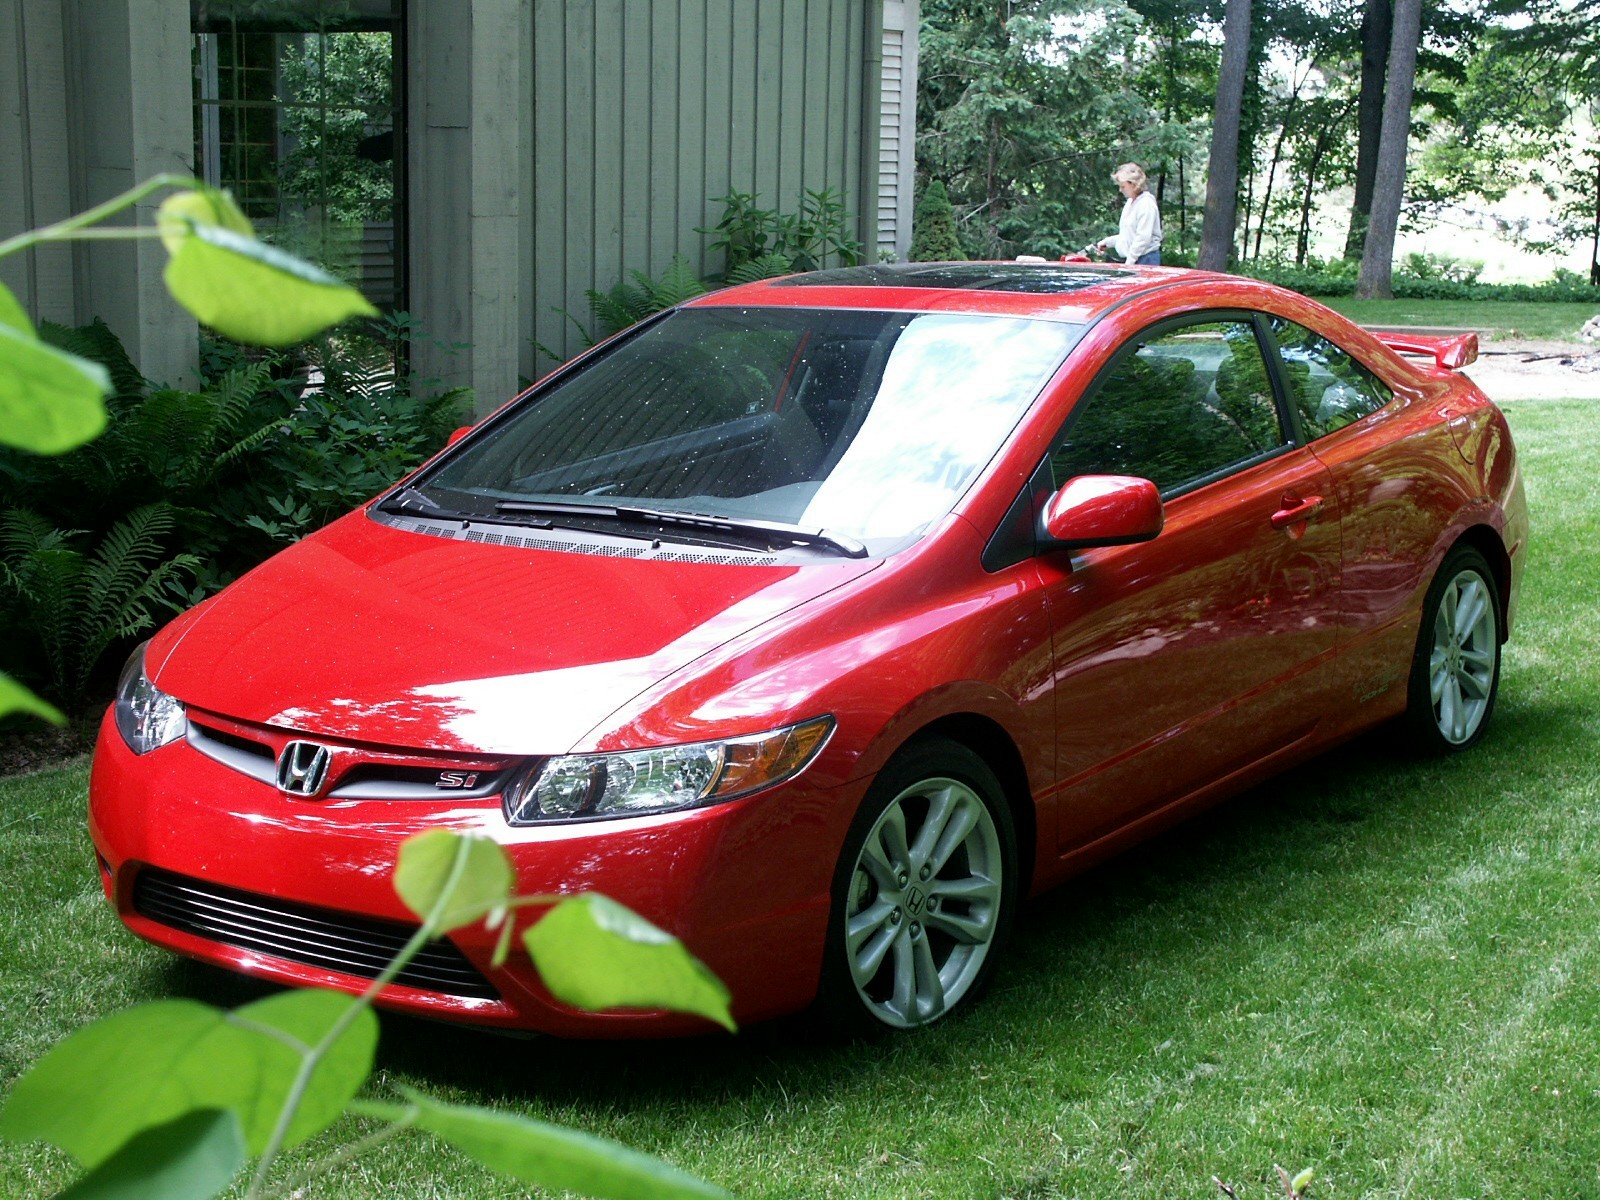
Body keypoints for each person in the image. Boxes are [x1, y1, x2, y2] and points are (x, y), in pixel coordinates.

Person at [1096, 163, 1162, 266]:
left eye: (1123, 186)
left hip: (1146, 260)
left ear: (1134, 185)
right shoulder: (1130, 203)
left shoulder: (1146, 204)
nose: (1120, 190)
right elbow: (1129, 235)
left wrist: (1129, 263)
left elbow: (1143, 238)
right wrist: (1108, 242)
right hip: (1134, 259)